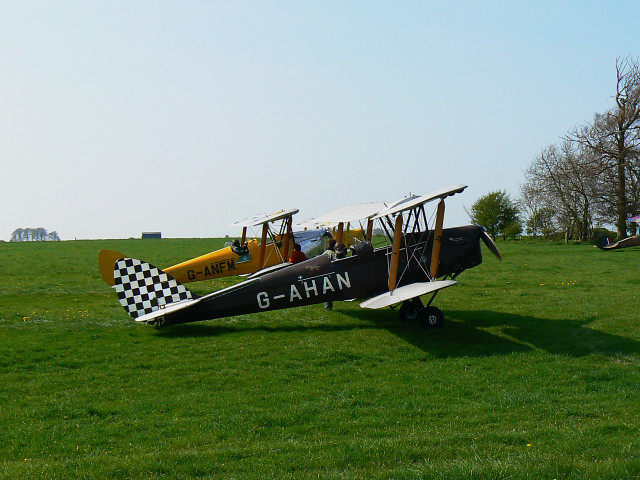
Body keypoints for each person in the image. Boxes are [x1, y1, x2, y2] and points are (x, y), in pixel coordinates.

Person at [323, 239, 337, 309]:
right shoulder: (333, 253)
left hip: (325, 273)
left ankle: (327, 305)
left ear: (328, 245)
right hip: (331, 274)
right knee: (330, 290)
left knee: (327, 290)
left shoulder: (325, 253)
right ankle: (328, 306)